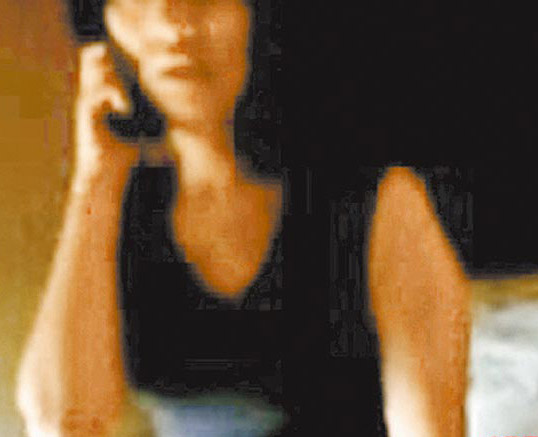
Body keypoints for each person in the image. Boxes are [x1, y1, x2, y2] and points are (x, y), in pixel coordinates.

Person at [14, 1, 469, 436]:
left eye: (206, 0)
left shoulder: (375, 200)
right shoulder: (120, 213)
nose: (174, 26)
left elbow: (429, 424)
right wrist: (95, 181)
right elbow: (63, 424)